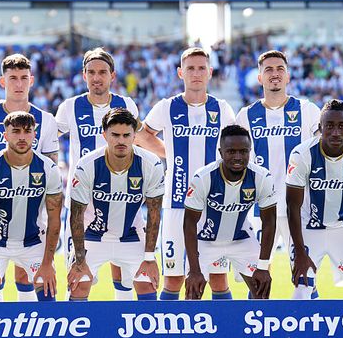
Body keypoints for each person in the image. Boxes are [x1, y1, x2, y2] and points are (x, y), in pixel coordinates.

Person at [135, 47, 235, 300]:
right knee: (174, 276)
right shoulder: (167, 107)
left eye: (202, 68)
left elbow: (234, 149)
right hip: (176, 202)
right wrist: (171, 154)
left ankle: (224, 337)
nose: (196, 73)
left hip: (214, 204)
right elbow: (142, 135)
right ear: (181, 72)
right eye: (190, 68)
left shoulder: (222, 109)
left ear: (210, 72)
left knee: (218, 277)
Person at [0, 53, 59, 301]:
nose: (18, 84)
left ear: (31, 81)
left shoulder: (47, 120)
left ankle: (27, 334)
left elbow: (52, 165)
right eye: (12, 78)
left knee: (27, 276)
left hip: (30, 210)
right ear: (2, 81)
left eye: (23, 78)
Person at [55, 47, 140, 300]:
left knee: (124, 276)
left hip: (123, 201)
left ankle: (122, 332)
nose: (97, 77)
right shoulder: (70, 107)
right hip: (82, 204)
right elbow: (48, 142)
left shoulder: (126, 105)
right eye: (91, 72)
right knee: (80, 278)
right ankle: (79, 334)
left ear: (112, 75)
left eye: (102, 72)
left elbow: (140, 140)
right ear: (83, 75)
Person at [235, 49, 321, 297]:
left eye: (279, 69)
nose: (274, 74)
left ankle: (310, 330)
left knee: (305, 277)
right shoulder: (246, 116)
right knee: (258, 278)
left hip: (300, 209)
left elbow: (326, 144)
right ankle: (256, 333)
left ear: (288, 76)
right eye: (268, 70)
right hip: (262, 211)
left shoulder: (307, 110)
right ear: (260, 77)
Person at [67, 108, 164, 301]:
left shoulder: (151, 164)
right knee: (78, 285)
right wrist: (79, 260)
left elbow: (154, 213)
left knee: (148, 286)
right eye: (115, 135)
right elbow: (76, 215)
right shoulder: (87, 165)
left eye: (127, 135)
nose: (121, 141)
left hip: (132, 235)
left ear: (135, 135)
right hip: (93, 235)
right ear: (104, 135)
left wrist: (149, 258)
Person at [286, 99, 343, 300]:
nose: (336, 132)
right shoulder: (302, 154)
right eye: (330, 126)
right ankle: (298, 333)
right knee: (301, 290)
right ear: (320, 128)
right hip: (309, 225)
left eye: (341, 126)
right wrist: (300, 252)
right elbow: (293, 206)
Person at [0, 111, 63, 302]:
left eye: (27, 131)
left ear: (34, 134)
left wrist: (48, 263)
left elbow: (55, 220)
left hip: (33, 242)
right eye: (15, 132)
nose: (22, 137)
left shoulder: (49, 169)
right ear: (5, 135)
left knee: (48, 296)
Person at [184, 125, 276, 300]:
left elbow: (269, 221)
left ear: (250, 151)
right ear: (220, 152)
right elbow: (189, 223)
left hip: (241, 239)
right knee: (192, 293)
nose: (238, 157)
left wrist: (263, 267)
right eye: (231, 151)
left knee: (262, 291)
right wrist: (194, 270)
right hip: (204, 241)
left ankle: (251, 325)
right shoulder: (203, 177)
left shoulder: (261, 177)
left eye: (243, 151)